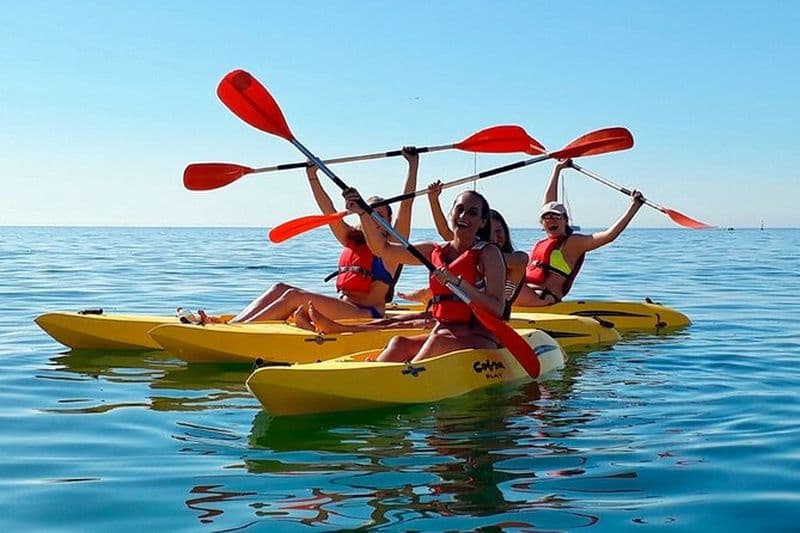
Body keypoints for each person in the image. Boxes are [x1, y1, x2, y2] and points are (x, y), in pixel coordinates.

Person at [190, 148, 420, 324]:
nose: (376, 221)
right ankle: (234, 324)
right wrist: (312, 176)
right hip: (342, 306)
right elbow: (328, 209)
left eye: (381, 217)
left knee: (293, 296)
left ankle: (235, 332)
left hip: (366, 314)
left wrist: (413, 165)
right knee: (280, 287)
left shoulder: (392, 248)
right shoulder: (352, 238)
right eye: (372, 215)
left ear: (389, 222)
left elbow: (407, 204)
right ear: (362, 216)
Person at [336, 186, 506, 363]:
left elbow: (497, 308)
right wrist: (363, 214)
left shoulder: (489, 253)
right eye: (460, 210)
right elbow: (382, 249)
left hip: (478, 336)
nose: (463, 216)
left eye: (472, 213)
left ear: (483, 222)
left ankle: (397, 375)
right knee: (399, 343)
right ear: (451, 214)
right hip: (443, 331)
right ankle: (376, 373)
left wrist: (457, 282)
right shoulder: (434, 251)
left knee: (437, 343)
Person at [514, 158, 645, 306]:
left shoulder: (573, 243)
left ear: (565, 220)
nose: (551, 220)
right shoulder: (544, 242)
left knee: (501, 283)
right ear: (542, 224)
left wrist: (634, 207)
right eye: (547, 218)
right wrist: (557, 170)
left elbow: (609, 236)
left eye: (556, 217)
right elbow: (549, 203)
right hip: (524, 295)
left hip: (543, 299)